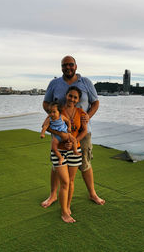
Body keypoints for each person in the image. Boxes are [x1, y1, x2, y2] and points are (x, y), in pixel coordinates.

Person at [41, 55, 105, 208]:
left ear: (76, 66)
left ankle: (92, 193)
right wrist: (54, 118)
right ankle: (53, 195)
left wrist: (87, 118)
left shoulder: (86, 82)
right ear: (61, 67)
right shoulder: (54, 83)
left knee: (85, 163)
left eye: (70, 65)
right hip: (59, 133)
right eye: (64, 65)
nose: (67, 67)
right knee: (57, 165)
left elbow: (95, 102)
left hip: (82, 133)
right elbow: (46, 103)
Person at [49, 86, 87, 223]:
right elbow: (49, 127)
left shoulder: (81, 113)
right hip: (59, 150)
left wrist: (74, 141)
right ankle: (64, 212)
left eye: (75, 97)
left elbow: (84, 131)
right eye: (70, 95)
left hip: (75, 150)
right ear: (66, 95)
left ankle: (67, 205)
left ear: (78, 100)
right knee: (64, 182)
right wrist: (65, 137)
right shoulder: (58, 110)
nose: (72, 99)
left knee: (70, 181)